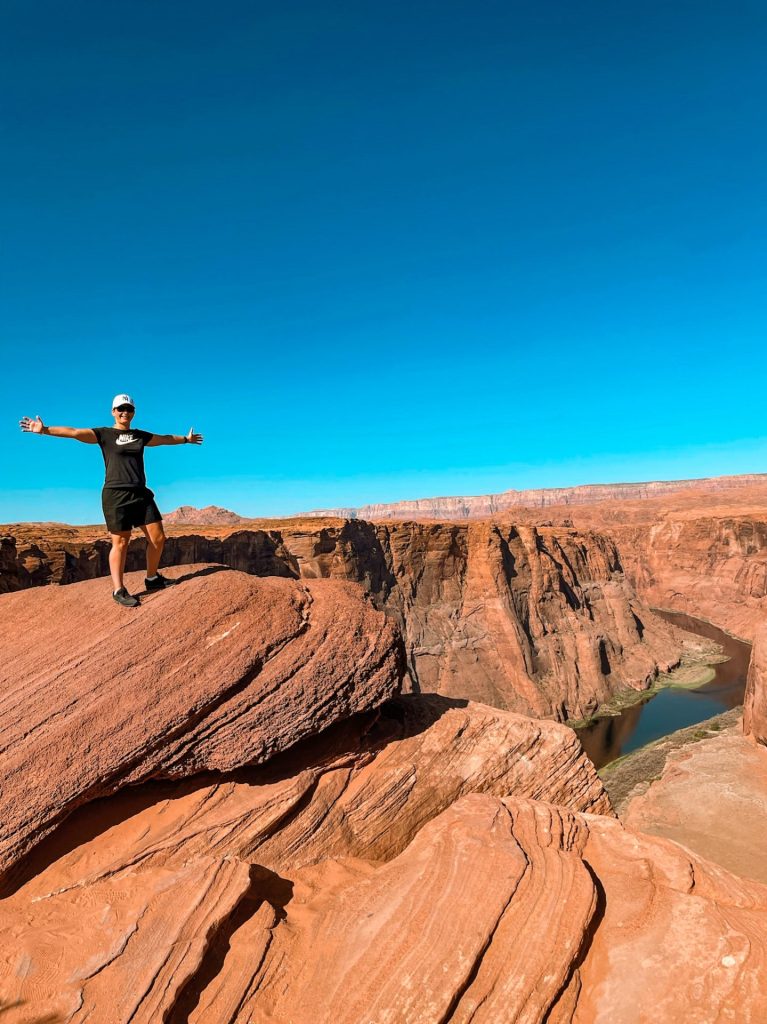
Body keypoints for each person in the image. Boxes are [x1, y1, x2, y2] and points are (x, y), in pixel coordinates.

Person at [19, 393, 203, 607]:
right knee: (121, 542)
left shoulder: (140, 436)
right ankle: (119, 589)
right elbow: (75, 432)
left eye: (129, 409)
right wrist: (45, 430)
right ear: (113, 412)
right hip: (116, 494)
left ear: (133, 412)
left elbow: (163, 439)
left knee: (158, 538)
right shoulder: (104, 434)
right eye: (120, 409)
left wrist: (185, 440)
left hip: (140, 493)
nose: (125, 412)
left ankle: (152, 578)